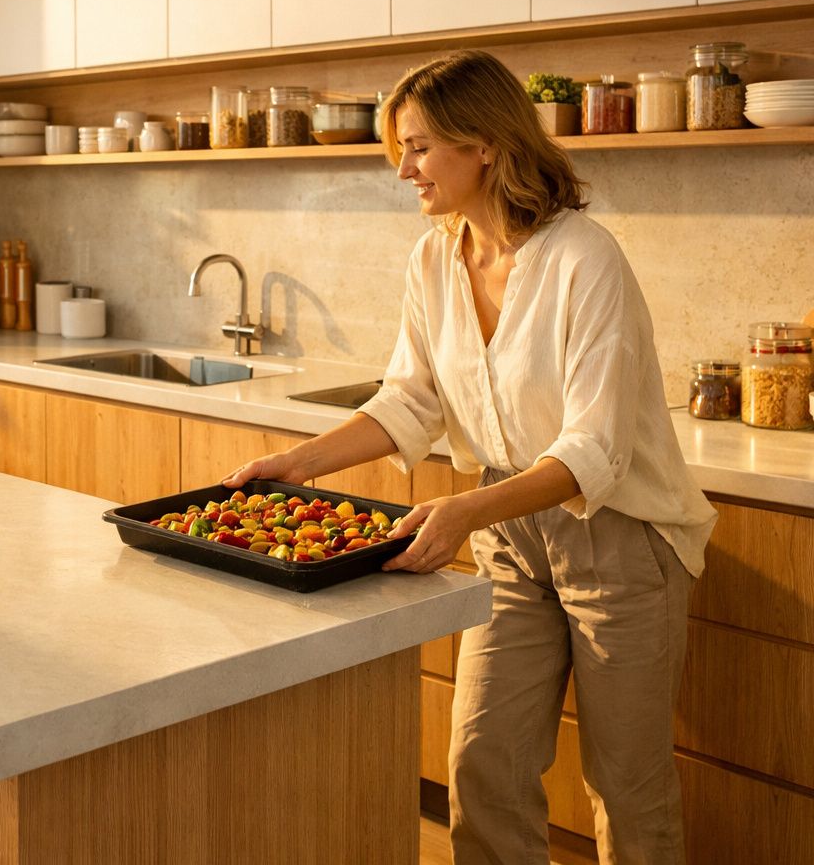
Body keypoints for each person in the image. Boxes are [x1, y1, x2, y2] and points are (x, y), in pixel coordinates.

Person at [222, 50, 716, 865]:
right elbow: (411, 398)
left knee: (627, 784)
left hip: (622, 545)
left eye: (419, 148)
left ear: (483, 143)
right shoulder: (434, 260)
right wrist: (301, 463)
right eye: (401, 150)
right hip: (508, 537)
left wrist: (461, 513)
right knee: (483, 766)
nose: (404, 170)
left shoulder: (584, 259)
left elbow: (595, 450)